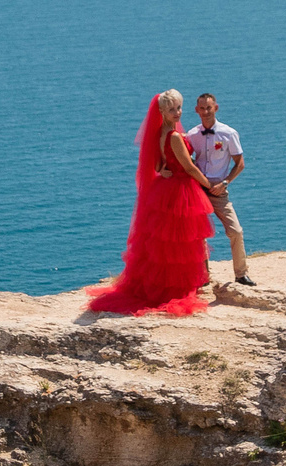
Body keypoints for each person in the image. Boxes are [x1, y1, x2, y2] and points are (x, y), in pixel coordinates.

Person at [86, 89, 215, 316]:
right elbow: (188, 167)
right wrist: (208, 184)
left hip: (165, 190)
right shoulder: (175, 136)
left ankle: (173, 283)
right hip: (181, 190)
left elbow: (155, 166)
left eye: (179, 107)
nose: (177, 113)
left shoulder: (160, 133)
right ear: (162, 111)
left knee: (166, 244)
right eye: (172, 109)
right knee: (183, 241)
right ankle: (183, 285)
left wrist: (164, 170)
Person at [186, 93, 254, 286]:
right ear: (196, 110)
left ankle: (241, 274)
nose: (206, 112)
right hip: (197, 190)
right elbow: (184, 159)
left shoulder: (229, 133)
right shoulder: (191, 135)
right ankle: (203, 277)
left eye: (209, 107)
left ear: (216, 108)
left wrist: (225, 183)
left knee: (236, 231)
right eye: (202, 108)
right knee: (198, 235)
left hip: (219, 190)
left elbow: (240, 163)